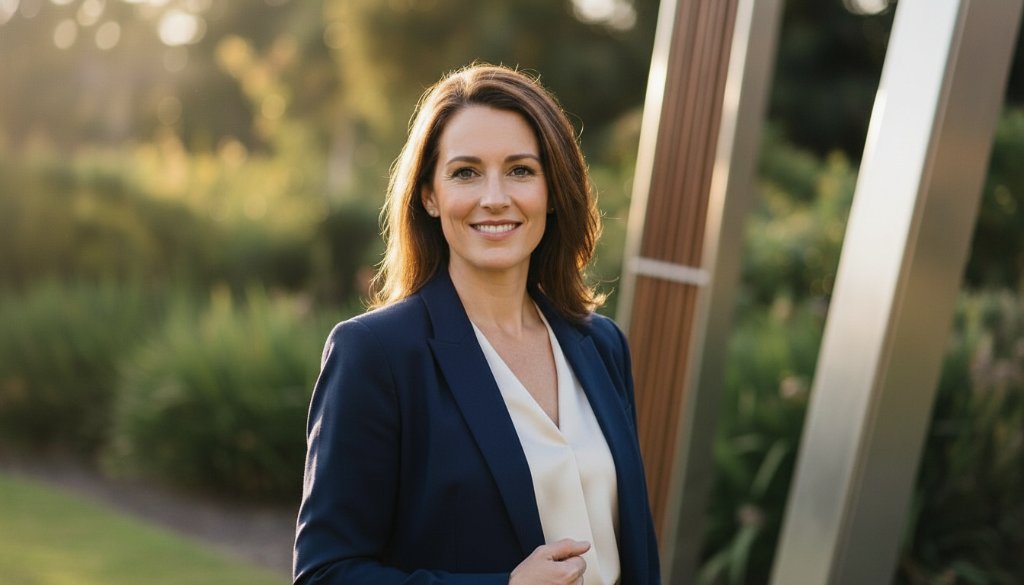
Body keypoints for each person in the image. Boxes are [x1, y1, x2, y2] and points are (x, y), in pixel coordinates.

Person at [293, 63, 660, 585]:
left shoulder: (600, 344)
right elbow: (326, 574)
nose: (494, 197)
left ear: (553, 191)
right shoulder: (375, 355)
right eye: (466, 172)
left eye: (520, 170)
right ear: (429, 195)